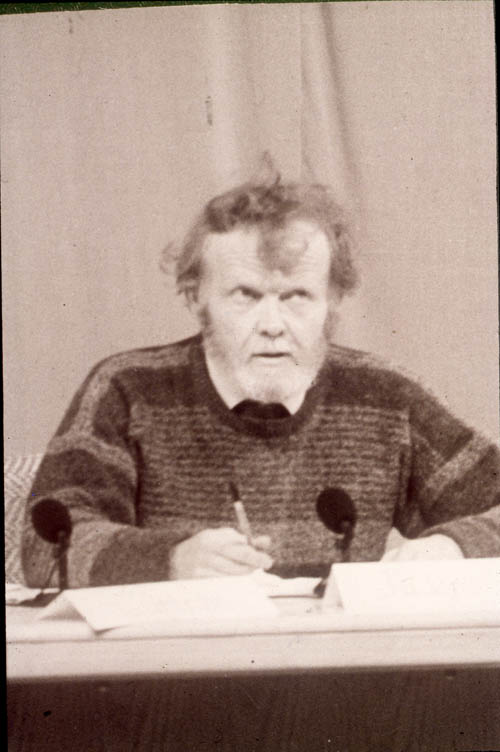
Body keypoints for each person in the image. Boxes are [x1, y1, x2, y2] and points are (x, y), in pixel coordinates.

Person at [21, 175, 500, 588]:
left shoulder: (388, 397)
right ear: (195, 297)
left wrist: (453, 548)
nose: (272, 325)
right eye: (246, 296)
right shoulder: (128, 390)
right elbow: (44, 546)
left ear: (332, 301)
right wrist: (172, 559)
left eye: (297, 297)